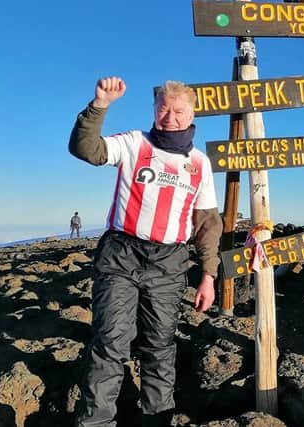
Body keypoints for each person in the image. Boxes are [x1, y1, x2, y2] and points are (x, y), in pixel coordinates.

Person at [69, 76, 222, 426]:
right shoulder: (134, 143)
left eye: (178, 110)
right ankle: (96, 422)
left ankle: (156, 419)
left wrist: (208, 277)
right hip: (121, 255)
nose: (170, 116)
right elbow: (86, 149)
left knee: (160, 345)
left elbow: (207, 225)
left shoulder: (200, 163)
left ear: (192, 113)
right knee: (110, 341)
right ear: (155, 110)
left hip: (169, 263)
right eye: (163, 109)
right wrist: (100, 105)